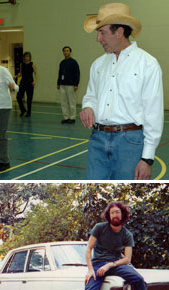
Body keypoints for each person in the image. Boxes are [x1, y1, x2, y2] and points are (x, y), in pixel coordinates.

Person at [79, 3, 164, 180]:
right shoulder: (98, 64)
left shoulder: (147, 64)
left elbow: (153, 112)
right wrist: (88, 106)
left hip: (131, 143)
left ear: (119, 32)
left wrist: (147, 159)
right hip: (97, 141)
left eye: (102, 32)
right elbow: (91, 95)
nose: (98, 39)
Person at [82, 201, 157, 290]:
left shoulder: (127, 234)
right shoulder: (99, 228)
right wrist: (90, 270)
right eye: (112, 212)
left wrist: (111, 264)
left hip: (115, 263)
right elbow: (88, 249)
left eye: (117, 212)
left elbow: (127, 259)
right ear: (108, 215)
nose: (115, 215)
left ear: (122, 215)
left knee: (138, 279)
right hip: (98, 265)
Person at [57, 46, 80, 124]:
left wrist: (76, 84)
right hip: (62, 85)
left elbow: (77, 74)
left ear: (70, 52)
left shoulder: (74, 62)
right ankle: (66, 117)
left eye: (67, 51)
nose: (66, 52)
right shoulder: (62, 62)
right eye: (64, 51)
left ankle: (72, 118)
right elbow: (60, 73)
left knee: (71, 102)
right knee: (63, 102)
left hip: (71, 85)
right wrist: (58, 83)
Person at [16, 51, 37, 117]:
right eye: (25, 56)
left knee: (29, 99)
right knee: (18, 97)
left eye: (28, 56)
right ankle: (23, 110)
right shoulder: (22, 64)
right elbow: (21, 74)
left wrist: (35, 81)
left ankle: (29, 112)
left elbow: (36, 73)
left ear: (30, 57)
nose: (26, 57)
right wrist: (16, 76)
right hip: (23, 82)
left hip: (30, 82)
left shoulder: (32, 64)